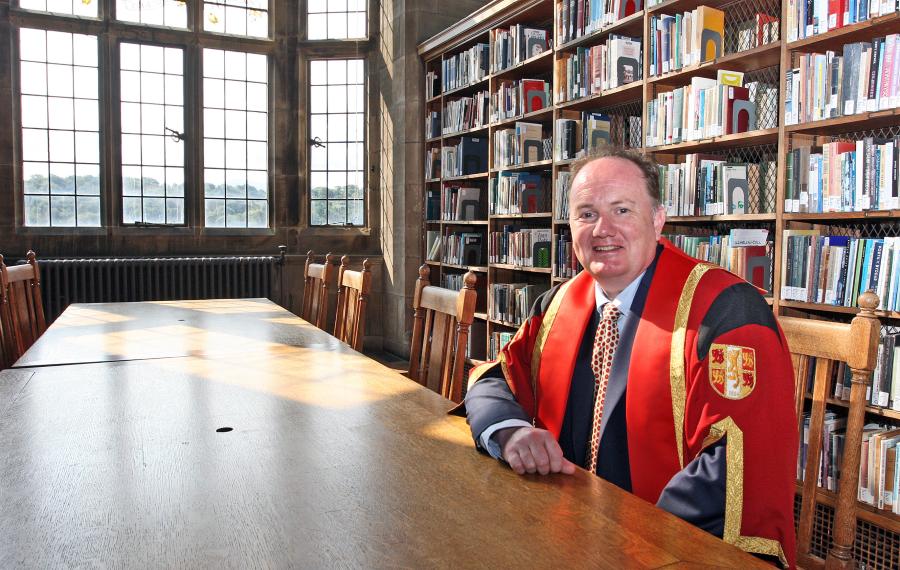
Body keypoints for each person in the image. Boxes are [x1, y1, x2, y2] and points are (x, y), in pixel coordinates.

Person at [463, 145, 797, 568]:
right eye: (587, 214)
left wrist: (631, 542)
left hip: (665, 548)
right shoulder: (556, 305)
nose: (603, 229)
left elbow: (735, 463)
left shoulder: (726, 313)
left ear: (658, 219)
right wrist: (511, 433)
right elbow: (495, 378)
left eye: (622, 210)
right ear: (569, 227)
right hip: (562, 529)